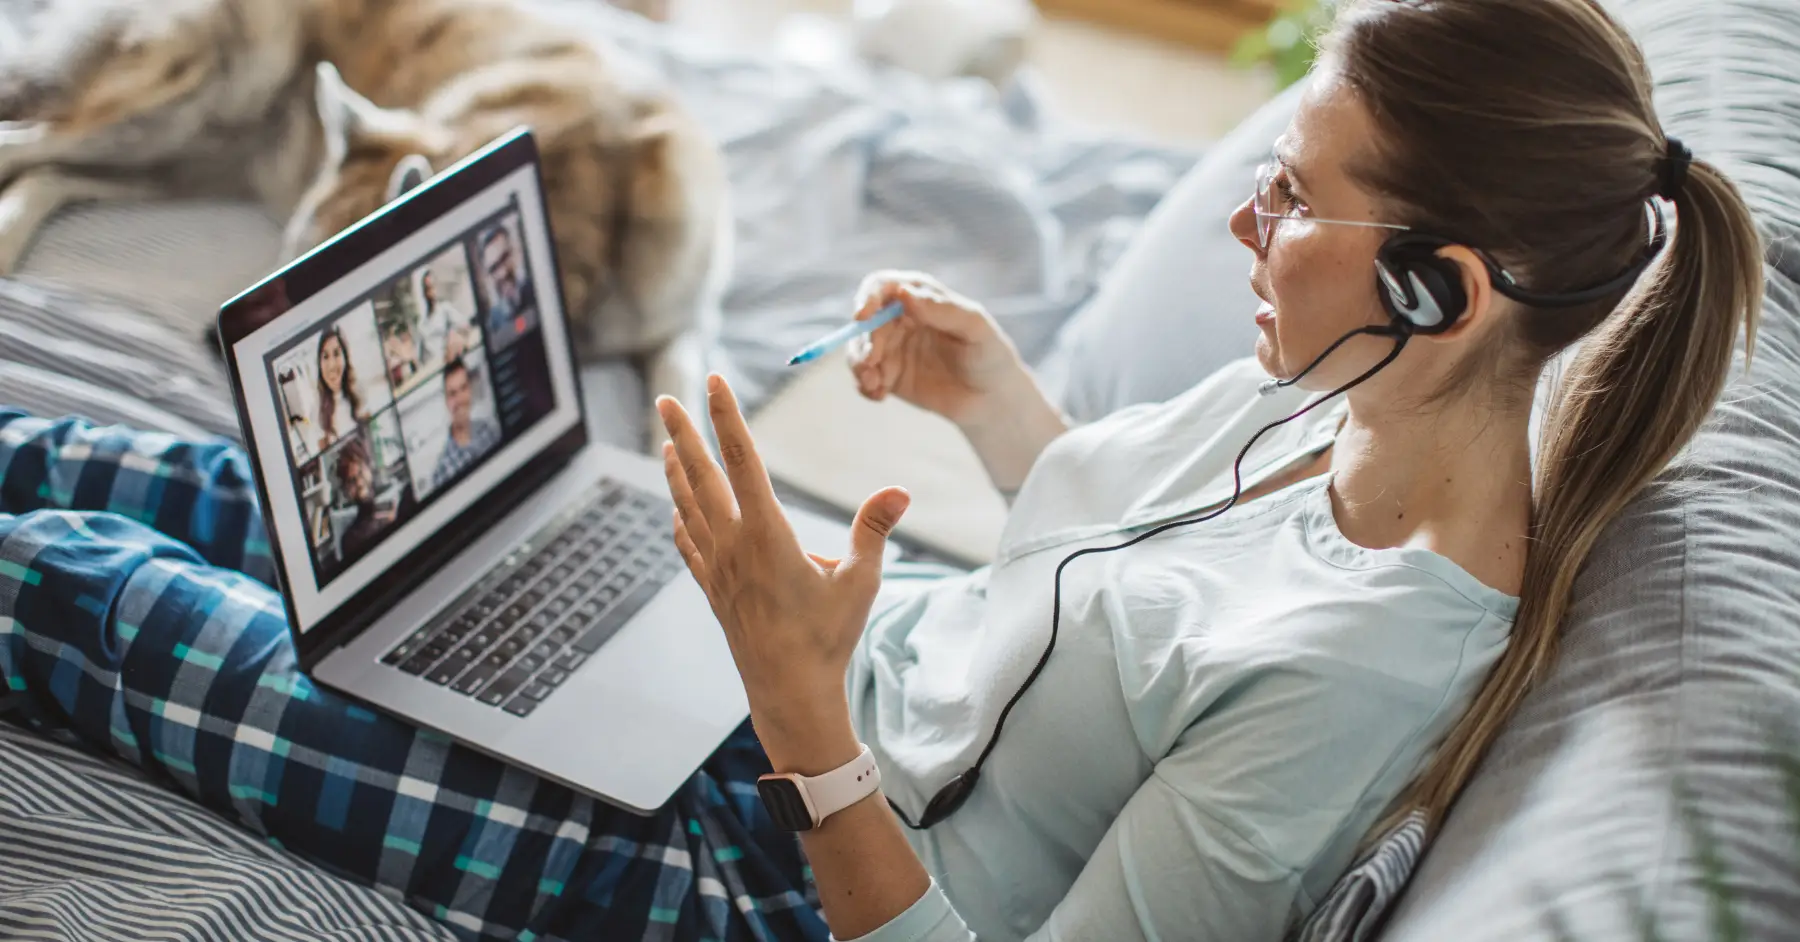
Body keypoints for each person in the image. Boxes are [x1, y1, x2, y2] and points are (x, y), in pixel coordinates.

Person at [0, 1, 1765, 940]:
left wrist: (804, 717)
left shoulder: (1352, 686)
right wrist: (990, 394)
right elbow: (1132, 572)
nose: (1249, 215)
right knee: (143, 468)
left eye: (1296, 199)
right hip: (799, 674)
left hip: (751, 873)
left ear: (1438, 289)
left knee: (72, 567)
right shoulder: (1350, 396)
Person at [430, 358, 501, 491]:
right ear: (446, 401)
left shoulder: (490, 430)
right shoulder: (442, 472)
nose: (460, 399)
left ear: (470, 389)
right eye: (452, 394)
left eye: (463, 388)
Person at [330, 436, 395, 561]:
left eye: (360, 472)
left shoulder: (394, 505)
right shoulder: (350, 539)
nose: (359, 483)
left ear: (369, 468)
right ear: (346, 490)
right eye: (352, 481)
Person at [479, 224, 536, 343]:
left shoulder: (537, 291)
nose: (503, 273)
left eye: (505, 258)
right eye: (494, 268)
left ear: (515, 253)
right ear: (488, 277)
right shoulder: (493, 323)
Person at [314, 325, 366, 451]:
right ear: (319, 364)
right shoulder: (317, 411)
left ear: (345, 357)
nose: (331, 365)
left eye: (336, 354)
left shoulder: (360, 394)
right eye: (325, 357)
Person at [414, 270, 471, 365]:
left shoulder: (444, 309)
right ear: (424, 293)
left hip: (448, 362)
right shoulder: (422, 323)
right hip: (432, 367)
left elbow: (465, 326)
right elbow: (419, 356)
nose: (431, 292)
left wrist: (453, 339)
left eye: (433, 287)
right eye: (428, 289)